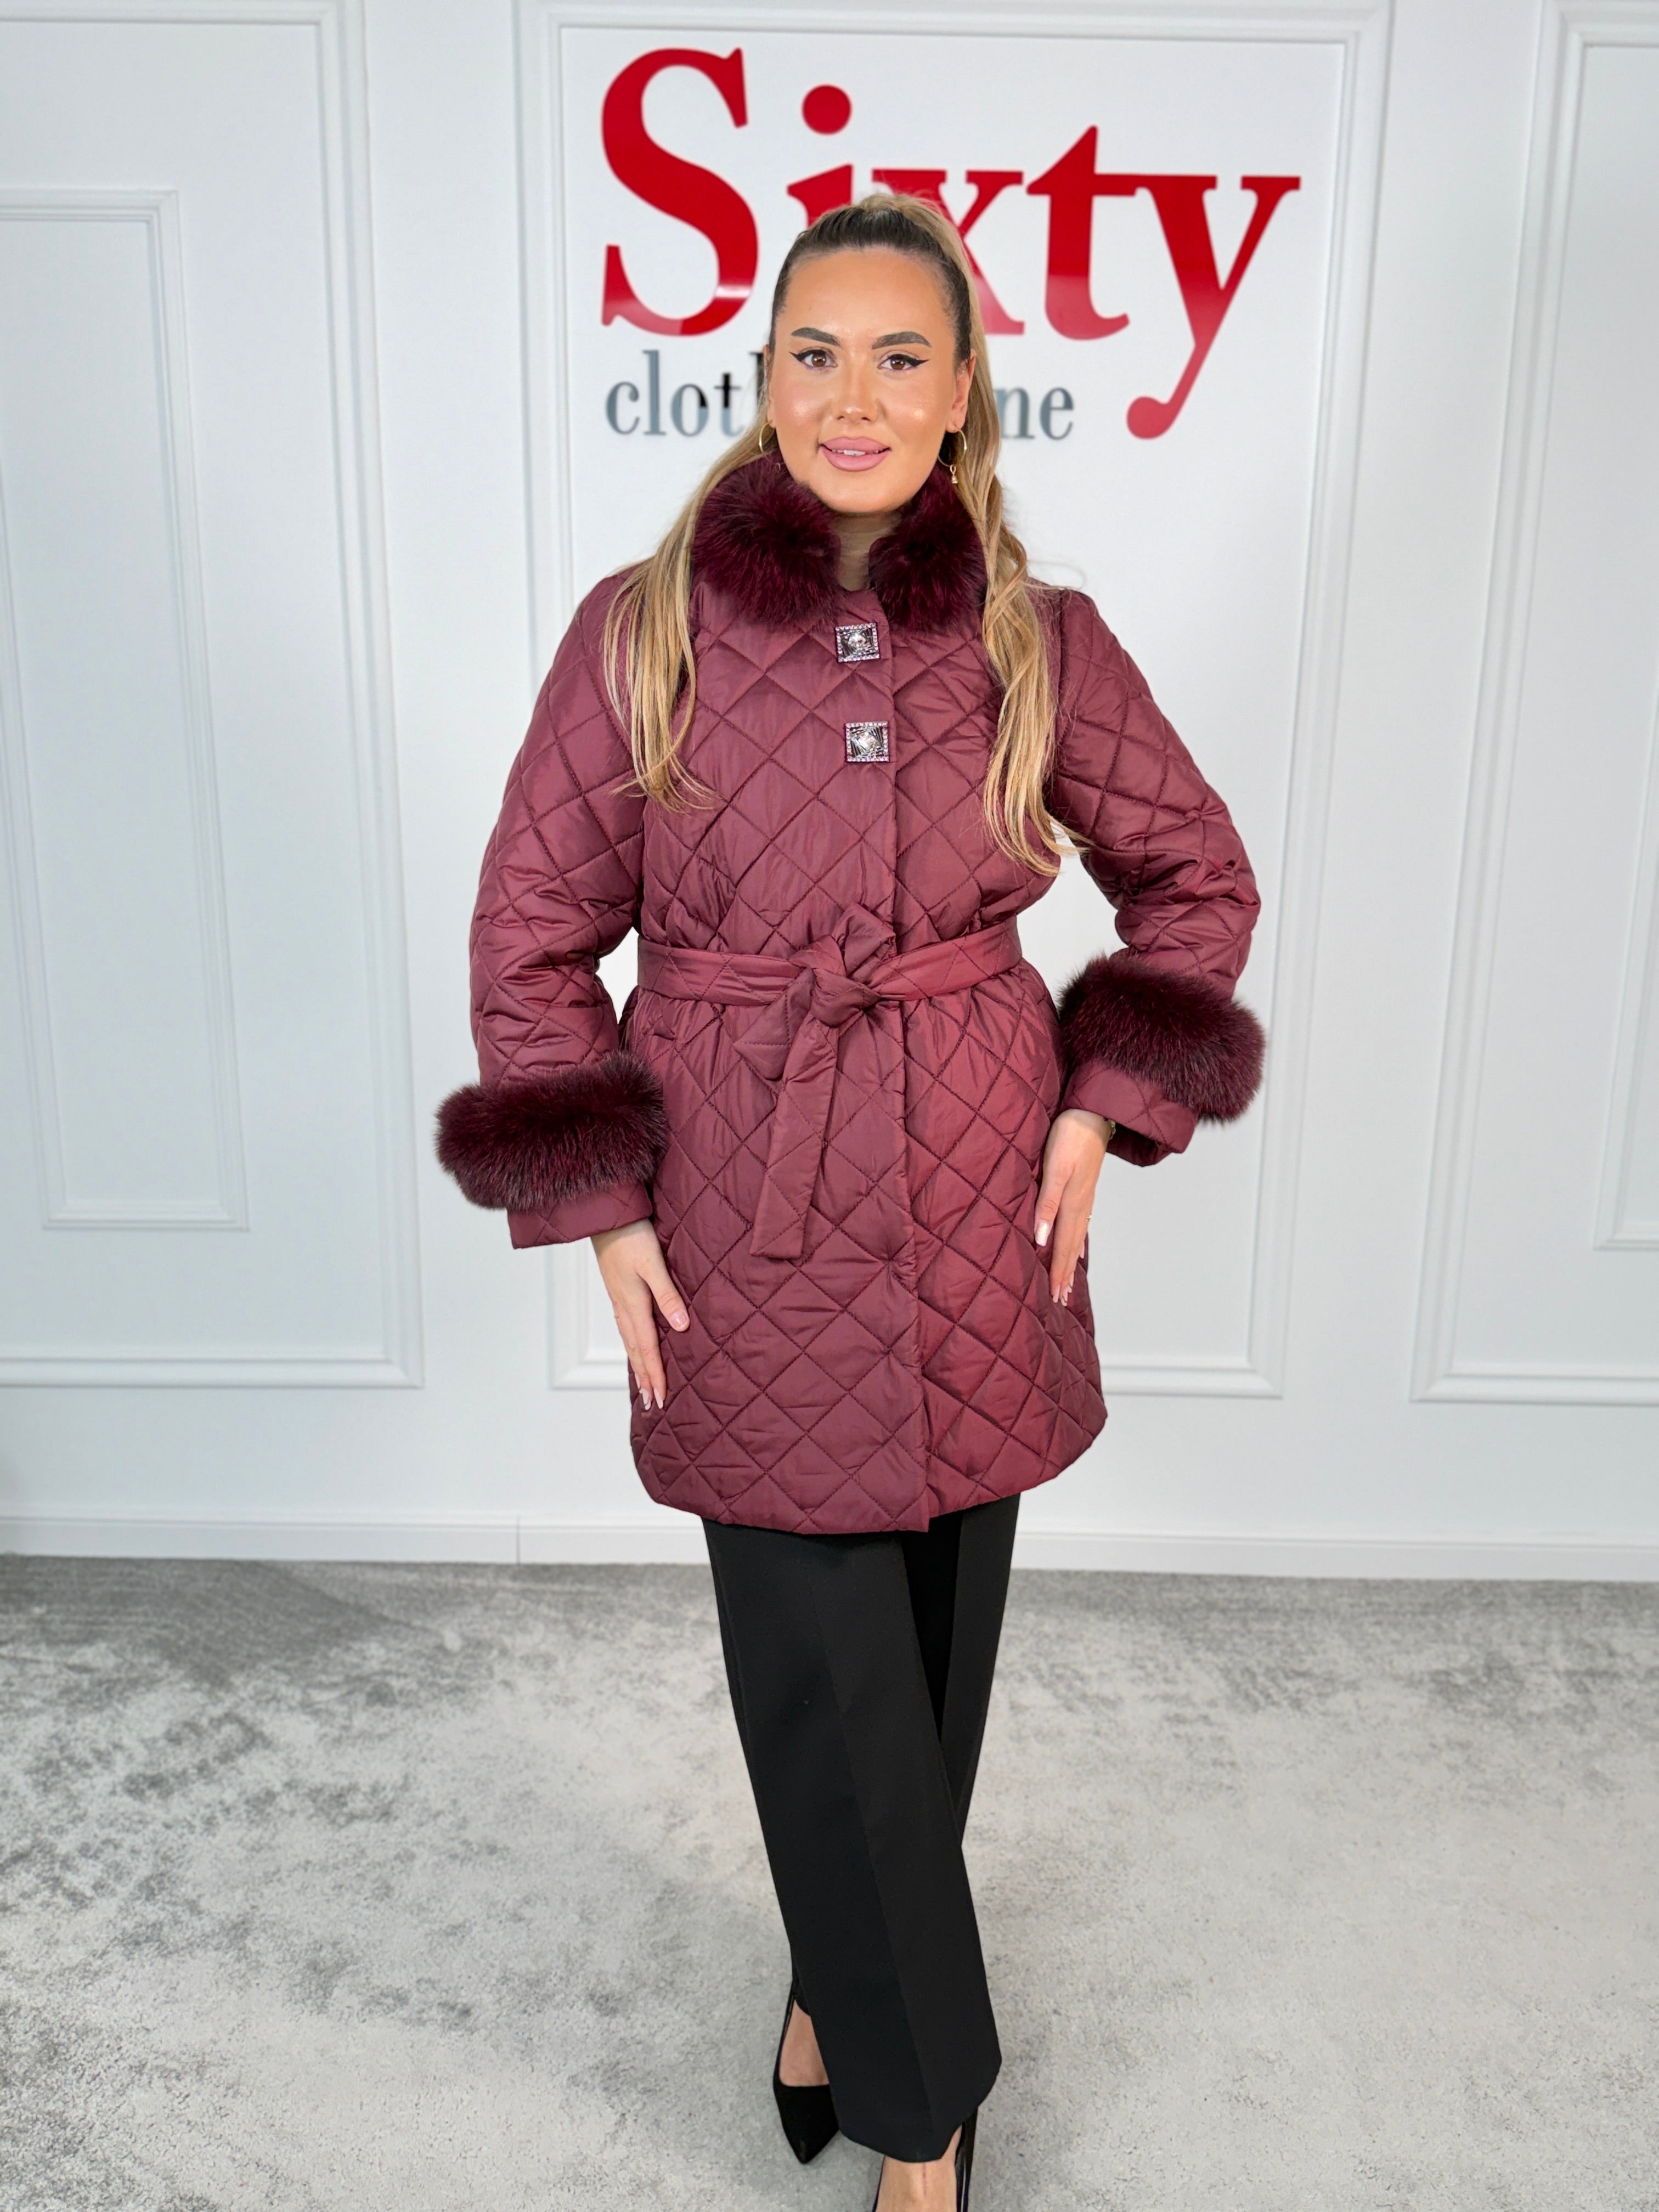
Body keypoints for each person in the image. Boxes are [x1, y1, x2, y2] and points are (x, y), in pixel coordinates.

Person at [437, 192, 1263, 2211]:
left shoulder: (1037, 638)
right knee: (817, 1660)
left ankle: (837, 1981)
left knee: (933, 1647)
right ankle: (926, 2105)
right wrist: (605, 1203)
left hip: (982, 1175)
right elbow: (531, 932)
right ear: (765, 376)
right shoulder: (640, 630)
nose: (856, 396)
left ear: (965, 387)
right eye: (816, 354)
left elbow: (1197, 877)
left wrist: (1105, 1110)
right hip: (746, 1183)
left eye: (902, 356)